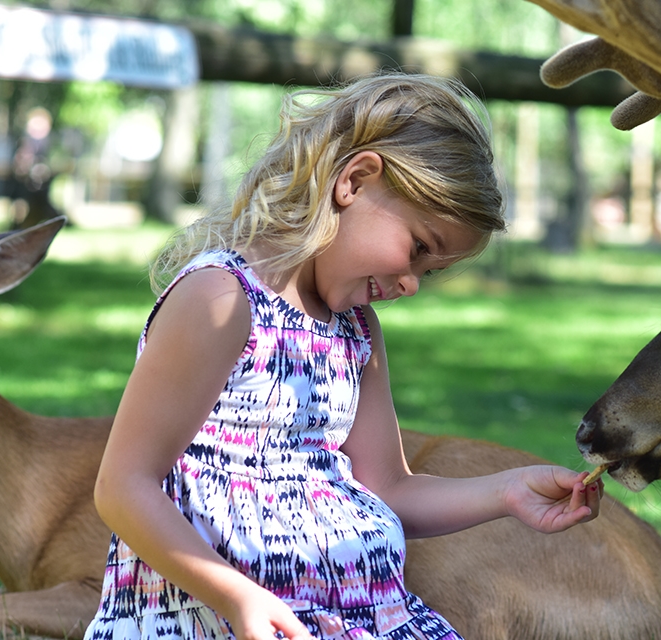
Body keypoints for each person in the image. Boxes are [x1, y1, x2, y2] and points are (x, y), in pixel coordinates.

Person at [84, 73, 603, 640]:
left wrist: (506, 491)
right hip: (216, 620)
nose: (412, 285)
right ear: (354, 181)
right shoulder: (220, 301)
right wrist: (235, 597)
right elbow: (123, 485)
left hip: (368, 620)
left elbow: (388, 488)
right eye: (418, 249)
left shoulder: (357, 331)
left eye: (431, 272)